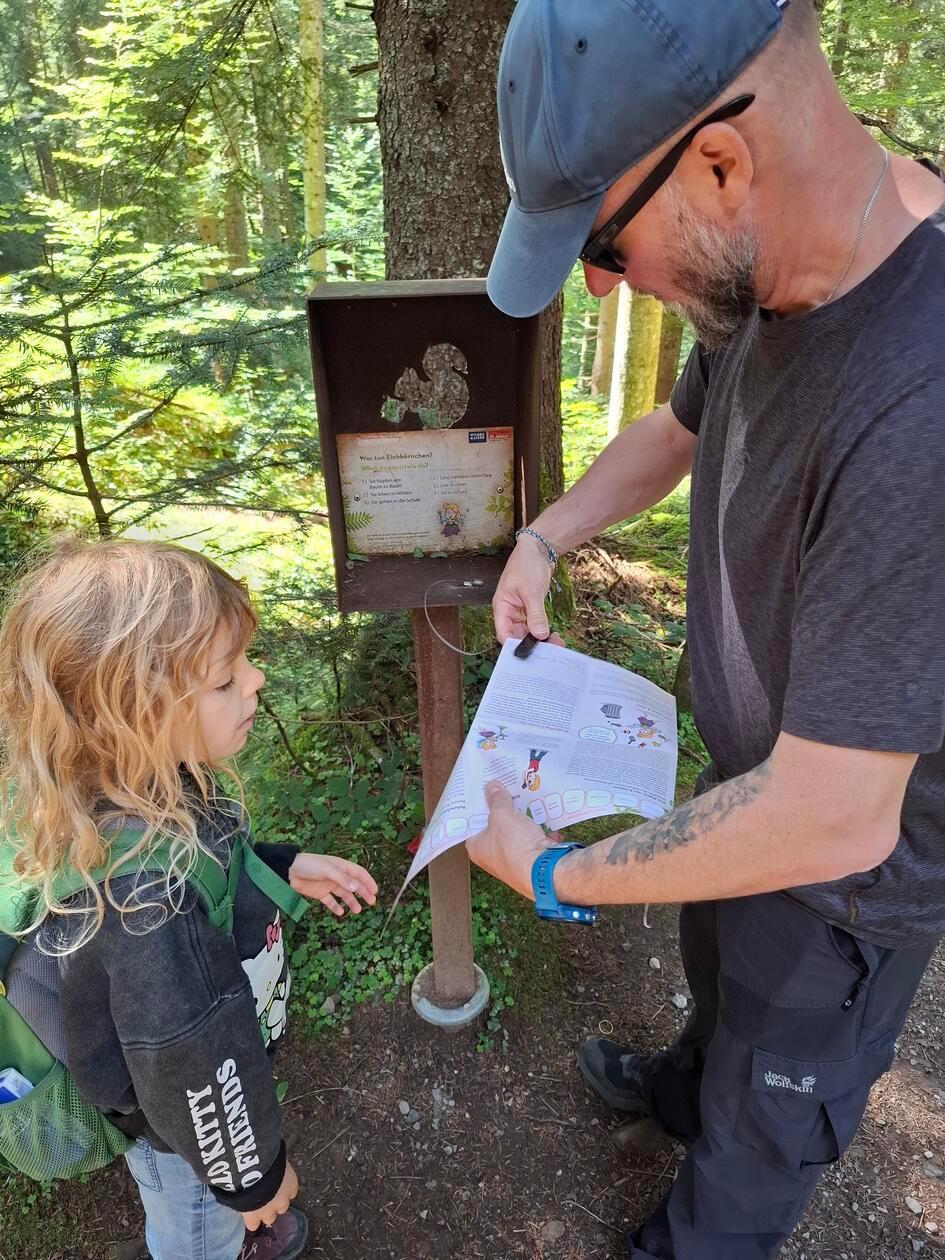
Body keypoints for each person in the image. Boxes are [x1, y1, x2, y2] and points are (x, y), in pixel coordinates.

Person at [470, 1, 945, 1257]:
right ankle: (683, 1086)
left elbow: (835, 814)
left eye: (606, 247)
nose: (597, 283)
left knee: (765, 1127)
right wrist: (546, 536)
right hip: (751, 788)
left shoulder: (922, 401)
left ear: (722, 164)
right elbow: (675, 435)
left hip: (850, 886)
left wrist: (556, 872)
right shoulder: (771, 281)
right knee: (720, 985)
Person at [0, 538, 378, 1260]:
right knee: (196, 1222)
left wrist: (280, 869)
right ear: (132, 712)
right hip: (181, 1133)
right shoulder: (146, 903)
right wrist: (254, 1180)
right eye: (225, 679)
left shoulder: (123, 782)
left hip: (165, 1093)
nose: (257, 681)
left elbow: (210, 861)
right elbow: (191, 1066)